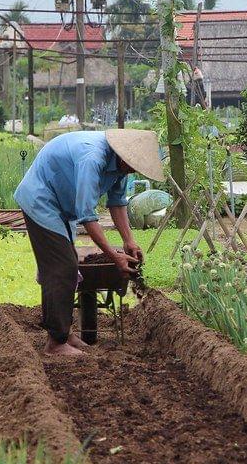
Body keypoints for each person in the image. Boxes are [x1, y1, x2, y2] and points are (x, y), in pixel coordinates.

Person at [14, 129, 164, 356]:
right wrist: (114, 257)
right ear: (124, 155)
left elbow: (117, 202)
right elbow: (87, 215)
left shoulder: (120, 168)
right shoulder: (92, 158)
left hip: (60, 205)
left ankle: (63, 332)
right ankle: (56, 343)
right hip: (41, 199)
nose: (134, 170)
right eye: (133, 165)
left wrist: (128, 241)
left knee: (66, 264)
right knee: (62, 266)